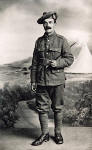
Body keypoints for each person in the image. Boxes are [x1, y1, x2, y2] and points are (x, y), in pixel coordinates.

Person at [31, 11, 74, 146]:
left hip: (57, 81)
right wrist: (33, 80)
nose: (47, 25)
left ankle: (58, 133)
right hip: (41, 81)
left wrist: (57, 63)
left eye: (50, 22)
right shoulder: (39, 42)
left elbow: (69, 59)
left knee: (58, 108)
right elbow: (35, 64)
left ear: (54, 23)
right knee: (42, 109)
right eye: (45, 22)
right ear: (42, 25)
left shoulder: (62, 41)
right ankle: (44, 134)